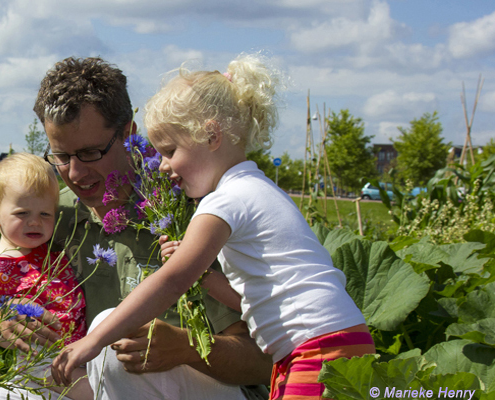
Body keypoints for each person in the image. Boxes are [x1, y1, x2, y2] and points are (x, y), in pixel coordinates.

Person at [50, 54, 375, 400]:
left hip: (313, 348)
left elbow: (173, 279)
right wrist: (206, 276)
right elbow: (252, 299)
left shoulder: (222, 202)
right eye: (159, 154)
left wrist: (93, 341)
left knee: (105, 328)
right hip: (336, 339)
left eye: (171, 151)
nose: (161, 166)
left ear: (211, 136)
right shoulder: (260, 189)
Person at [0, 56, 273, 399]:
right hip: (90, 388)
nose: (75, 174)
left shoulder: (195, 216)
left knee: (111, 343)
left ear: (128, 133)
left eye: (91, 152)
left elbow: (265, 363)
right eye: (61, 156)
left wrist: (187, 348)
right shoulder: (49, 217)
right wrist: (5, 323)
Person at [0, 153, 92, 399]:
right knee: (99, 391)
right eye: (22, 213)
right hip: (40, 360)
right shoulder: (1, 266)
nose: (35, 222)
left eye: (45, 214)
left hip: (72, 352)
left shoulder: (42, 252)